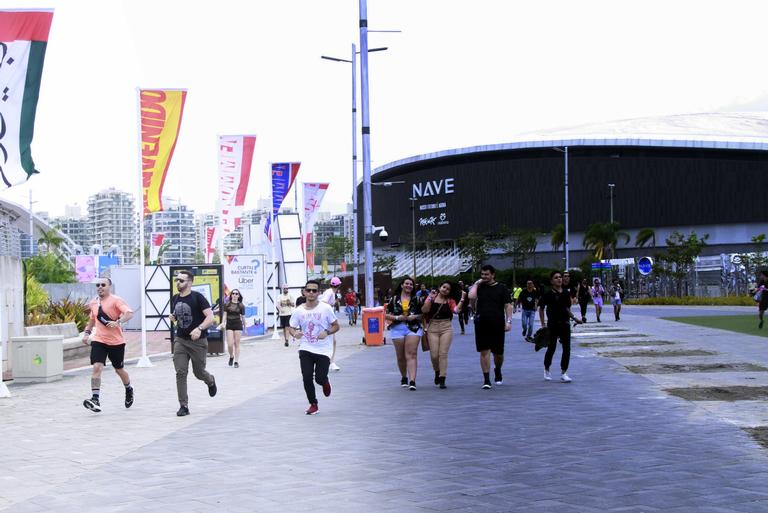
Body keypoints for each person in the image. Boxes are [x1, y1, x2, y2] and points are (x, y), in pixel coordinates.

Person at [81, 277, 134, 413]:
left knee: (119, 369)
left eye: (103, 285)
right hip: (99, 340)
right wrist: (86, 333)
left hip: (116, 342)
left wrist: (118, 322)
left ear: (109, 286)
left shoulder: (116, 300)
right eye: (98, 285)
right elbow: (92, 320)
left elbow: (129, 313)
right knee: (97, 367)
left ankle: (128, 388)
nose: (100, 287)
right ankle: (95, 399)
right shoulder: (94, 302)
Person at [169, 270, 217, 417]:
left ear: (190, 282)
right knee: (181, 372)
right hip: (181, 340)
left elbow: (211, 317)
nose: (178, 282)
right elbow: (179, 315)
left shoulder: (198, 297)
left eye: (181, 280)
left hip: (198, 342)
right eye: (177, 280)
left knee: (199, 373)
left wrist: (199, 328)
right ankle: (183, 405)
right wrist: (173, 317)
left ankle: (210, 381)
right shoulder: (175, 298)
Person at [289, 279, 341, 415]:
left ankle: (325, 381)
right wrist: (295, 333)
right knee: (306, 377)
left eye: (314, 290)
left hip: (324, 349)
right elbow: (291, 327)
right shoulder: (298, 311)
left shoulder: (326, 308)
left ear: (319, 293)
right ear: (304, 292)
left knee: (319, 378)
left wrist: (327, 332)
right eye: (308, 290)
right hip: (306, 347)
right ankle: (313, 404)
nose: (311, 293)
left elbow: (336, 326)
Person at [468, 265, 513, 389]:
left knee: (498, 353)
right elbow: (471, 297)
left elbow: (508, 306)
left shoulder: (502, 288)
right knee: (484, 351)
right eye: (482, 274)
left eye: (487, 274)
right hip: (481, 323)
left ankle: (497, 369)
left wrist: (508, 321)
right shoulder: (480, 287)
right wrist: (477, 283)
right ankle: (486, 379)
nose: (484, 277)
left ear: (493, 274)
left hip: (497, 323)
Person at [539, 270, 582, 383]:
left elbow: (566, 309)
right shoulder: (547, 294)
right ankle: (547, 368)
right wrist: (543, 324)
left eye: (560, 277)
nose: (559, 279)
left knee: (567, 348)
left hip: (565, 324)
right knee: (551, 348)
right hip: (552, 324)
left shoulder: (566, 294)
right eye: (556, 277)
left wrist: (575, 318)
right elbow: (541, 308)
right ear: (551, 281)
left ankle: (564, 372)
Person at [421, 281, 463, 388]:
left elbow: (456, 310)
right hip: (432, 327)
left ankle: (442, 378)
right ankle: (437, 371)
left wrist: (462, 299)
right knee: (434, 355)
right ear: (440, 287)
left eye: (448, 289)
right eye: (444, 287)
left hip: (446, 327)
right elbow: (424, 310)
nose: (445, 289)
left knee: (443, 354)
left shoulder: (450, 300)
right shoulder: (432, 298)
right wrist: (430, 298)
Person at [385, 277, 424, 390]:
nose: (409, 286)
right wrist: (397, 317)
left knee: (411, 354)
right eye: (406, 283)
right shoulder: (393, 299)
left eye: (411, 284)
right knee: (401, 356)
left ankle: (412, 380)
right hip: (397, 328)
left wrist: (415, 316)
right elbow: (386, 315)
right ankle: (404, 377)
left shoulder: (417, 299)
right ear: (402, 285)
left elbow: (424, 314)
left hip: (413, 328)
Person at [320, 277, 342, 371]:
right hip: (327, 319)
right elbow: (323, 301)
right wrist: (330, 307)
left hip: (325, 319)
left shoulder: (329, 292)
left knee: (332, 341)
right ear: (339, 285)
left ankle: (330, 362)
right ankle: (330, 362)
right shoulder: (330, 292)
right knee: (331, 341)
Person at [221, 289, 245, 367]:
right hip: (229, 325)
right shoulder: (227, 304)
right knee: (230, 344)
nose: (234, 295)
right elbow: (225, 315)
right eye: (233, 293)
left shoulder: (241, 305)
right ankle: (231, 356)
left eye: (236, 293)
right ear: (231, 295)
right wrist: (223, 322)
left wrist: (245, 327)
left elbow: (243, 317)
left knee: (237, 344)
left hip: (238, 324)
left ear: (238, 295)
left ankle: (236, 362)